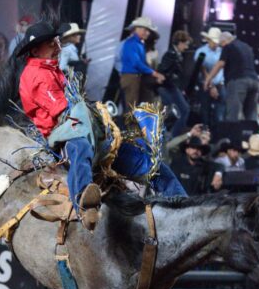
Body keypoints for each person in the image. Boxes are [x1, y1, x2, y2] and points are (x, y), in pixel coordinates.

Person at [16, 22, 186, 230]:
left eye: (57, 41)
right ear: (36, 50)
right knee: (80, 147)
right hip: (61, 135)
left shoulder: (52, 69)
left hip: (86, 129)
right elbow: (63, 112)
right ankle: (83, 204)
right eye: (52, 43)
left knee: (147, 161)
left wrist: (102, 121)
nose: (58, 46)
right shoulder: (35, 75)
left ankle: (182, 203)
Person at [204, 27, 259, 122]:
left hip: (238, 81)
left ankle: (231, 136)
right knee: (251, 116)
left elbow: (220, 64)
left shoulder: (228, 46)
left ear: (224, 41)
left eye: (221, 45)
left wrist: (208, 79)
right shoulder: (247, 46)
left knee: (233, 115)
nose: (221, 48)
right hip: (255, 82)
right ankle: (252, 136)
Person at [119, 16, 165, 109]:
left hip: (135, 78)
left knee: (135, 107)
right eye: (146, 30)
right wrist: (154, 74)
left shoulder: (139, 44)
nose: (147, 33)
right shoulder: (131, 43)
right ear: (138, 29)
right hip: (131, 78)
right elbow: (136, 63)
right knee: (131, 108)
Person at [157, 30, 192, 138]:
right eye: (185, 44)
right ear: (180, 42)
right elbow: (162, 70)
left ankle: (173, 136)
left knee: (184, 110)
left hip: (172, 87)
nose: (186, 47)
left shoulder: (176, 55)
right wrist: (170, 77)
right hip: (166, 88)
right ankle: (169, 136)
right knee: (173, 111)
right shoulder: (170, 55)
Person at [194, 27, 225, 127]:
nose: (215, 44)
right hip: (206, 85)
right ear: (208, 40)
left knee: (221, 110)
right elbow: (203, 70)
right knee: (205, 111)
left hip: (220, 84)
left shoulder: (222, 52)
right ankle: (205, 133)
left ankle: (218, 132)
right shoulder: (201, 52)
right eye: (213, 41)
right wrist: (211, 86)